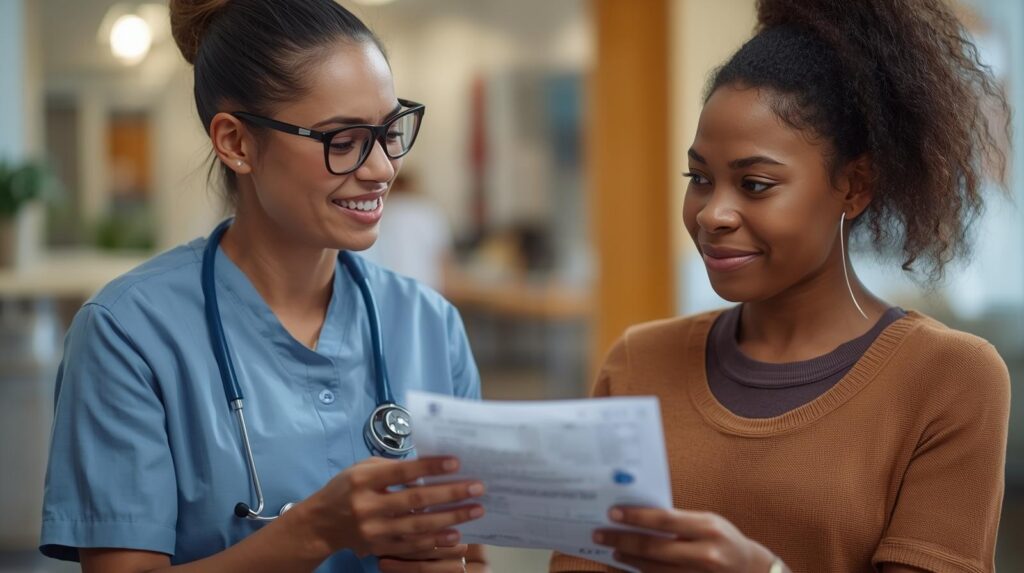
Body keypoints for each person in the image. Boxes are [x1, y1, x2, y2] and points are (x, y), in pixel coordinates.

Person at [551, 0, 1011, 571]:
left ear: (855, 185)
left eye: (755, 183)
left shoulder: (949, 379)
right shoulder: (637, 364)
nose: (712, 213)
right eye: (699, 178)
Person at [40, 1, 489, 571]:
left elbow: (472, 555)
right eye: (344, 139)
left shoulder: (431, 326)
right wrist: (316, 529)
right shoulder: (127, 333)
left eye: (389, 130)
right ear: (236, 143)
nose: (380, 169)